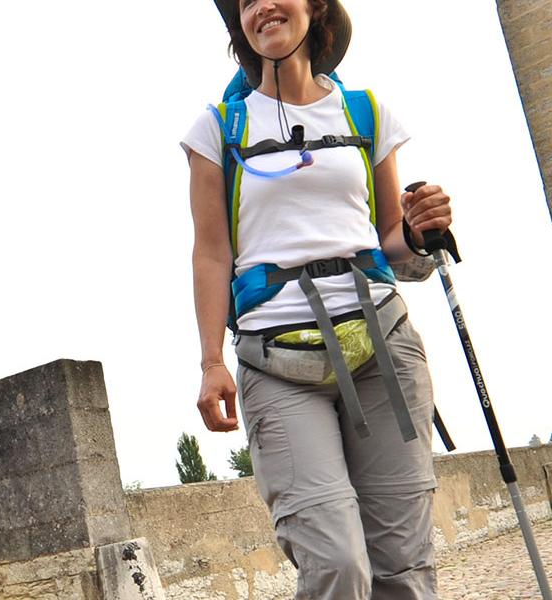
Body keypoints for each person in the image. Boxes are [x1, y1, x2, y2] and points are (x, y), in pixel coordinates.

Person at [184, 1, 453, 597]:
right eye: (246, 1)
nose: (262, 6)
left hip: (383, 348)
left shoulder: (367, 113)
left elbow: (391, 242)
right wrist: (210, 361)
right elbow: (211, 254)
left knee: (404, 567)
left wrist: (416, 232)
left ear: (315, 7)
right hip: (274, 358)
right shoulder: (217, 130)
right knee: (335, 562)